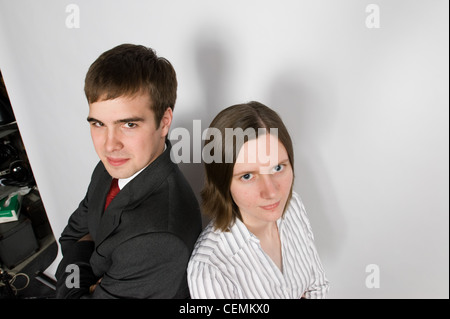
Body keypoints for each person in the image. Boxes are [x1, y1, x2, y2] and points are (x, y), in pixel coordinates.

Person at [55, 44, 202, 299]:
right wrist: (88, 279)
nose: (110, 144)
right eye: (99, 124)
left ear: (164, 122)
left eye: (129, 124)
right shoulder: (109, 169)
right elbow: (70, 237)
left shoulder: (159, 240)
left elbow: (74, 253)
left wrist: (80, 265)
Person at [187, 101, 329, 298]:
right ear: (222, 182)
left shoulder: (293, 207)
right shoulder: (211, 269)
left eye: (278, 168)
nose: (271, 192)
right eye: (247, 176)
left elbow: (318, 287)